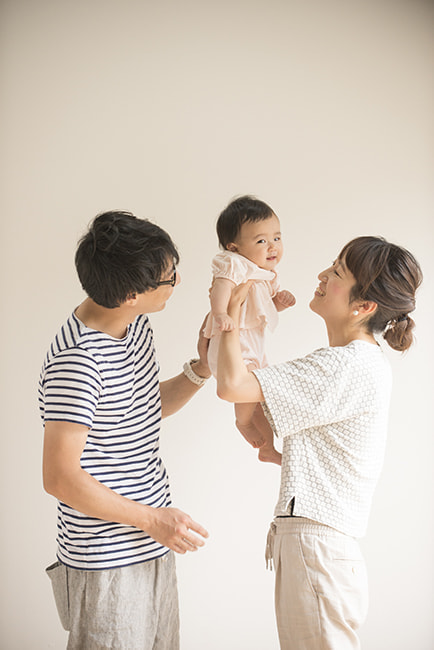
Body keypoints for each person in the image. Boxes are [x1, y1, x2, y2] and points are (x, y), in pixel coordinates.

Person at [216, 235, 422, 649]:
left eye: (337, 272)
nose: (322, 275)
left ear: (364, 306)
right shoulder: (359, 364)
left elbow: (233, 385)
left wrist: (231, 314)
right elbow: (255, 403)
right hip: (319, 547)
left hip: (317, 546)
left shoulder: (344, 365)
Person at [39, 210, 210, 650]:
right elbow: (59, 478)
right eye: (169, 278)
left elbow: (139, 411)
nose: (177, 282)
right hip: (105, 561)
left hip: (153, 542)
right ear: (131, 294)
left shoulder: (134, 328)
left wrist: (202, 369)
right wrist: (153, 520)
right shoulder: (78, 361)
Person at [204, 195, 295, 465]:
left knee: (260, 394)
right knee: (246, 386)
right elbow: (221, 288)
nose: (272, 246)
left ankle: (268, 448)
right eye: (261, 241)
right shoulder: (235, 264)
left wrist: (279, 303)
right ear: (234, 247)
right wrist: (221, 313)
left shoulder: (267, 274)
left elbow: (262, 308)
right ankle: (242, 422)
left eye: (276, 238)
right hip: (232, 340)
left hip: (251, 343)